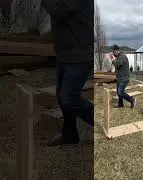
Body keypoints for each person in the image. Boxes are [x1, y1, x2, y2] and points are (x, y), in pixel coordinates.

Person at [41, 0, 93, 146]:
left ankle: (105, 123)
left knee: (68, 98)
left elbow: (59, 12)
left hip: (79, 54)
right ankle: (70, 136)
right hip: (65, 53)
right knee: (62, 97)